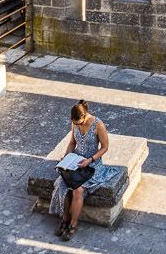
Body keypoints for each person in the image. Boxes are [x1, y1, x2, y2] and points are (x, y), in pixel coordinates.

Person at [49, 99, 120, 241]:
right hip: (75, 161)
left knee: (78, 189)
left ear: (85, 115)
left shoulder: (98, 124)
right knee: (62, 185)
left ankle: (73, 225)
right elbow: (72, 142)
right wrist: (66, 157)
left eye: (79, 123)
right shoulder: (75, 122)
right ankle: (65, 219)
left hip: (92, 165)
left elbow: (105, 147)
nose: (77, 125)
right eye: (75, 123)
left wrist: (90, 160)